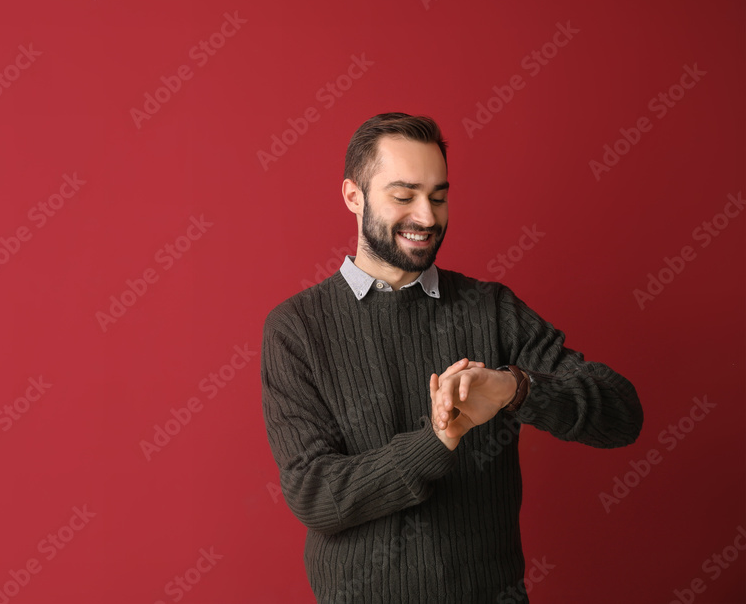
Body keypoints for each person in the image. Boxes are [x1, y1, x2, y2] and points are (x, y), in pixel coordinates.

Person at [259, 112, 643, 603]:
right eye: (404, 196)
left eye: (438, 196)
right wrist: (437, 441)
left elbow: (623, 415)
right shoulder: (296, 328)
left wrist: (516, 389)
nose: (426, 216)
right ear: (353, 196)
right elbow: (316, 494)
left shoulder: (492, 308)